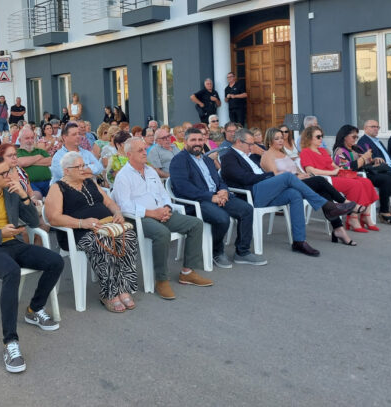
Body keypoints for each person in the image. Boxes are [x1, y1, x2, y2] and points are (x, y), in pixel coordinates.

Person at [0, 155, 63, 373]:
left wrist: (25, 196)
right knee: (12, 272)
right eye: (4, 173)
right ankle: (10, 342)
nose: (9, 176)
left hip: (14, 244)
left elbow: (35, 223)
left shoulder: (12, 193)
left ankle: (34, 308)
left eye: (9, 171)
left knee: (55, 261)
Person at [222, 129, 354, 256]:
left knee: (294, 194)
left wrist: (269, 176)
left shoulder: (248, 157)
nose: (252, 147)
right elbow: (244, 178)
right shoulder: (229, 157)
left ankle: (299, 241)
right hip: (252, 194)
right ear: (239, 142)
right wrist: (270, 176)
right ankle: (327, 206)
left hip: (264, 189)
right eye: (250, 144)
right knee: (287, 176)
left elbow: (258, 172)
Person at [111, 138, 212, 299]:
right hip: (139, 218)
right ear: (129, 154)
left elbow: (164, 194)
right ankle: (161, 279)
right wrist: (152, 213)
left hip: (161, 213)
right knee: (162, 233)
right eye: (140, 151)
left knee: (196, 224)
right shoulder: (123, 176)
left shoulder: (151, 171)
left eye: (145, 149)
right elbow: (124, 207)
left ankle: (188, 271)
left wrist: (166, 208)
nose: (145, 153)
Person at [46, 151, 138, 313]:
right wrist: (82, 223)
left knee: (129, 235)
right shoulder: (58, 188)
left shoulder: (90, 182)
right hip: (77, 232)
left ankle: (123, 287)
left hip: (105, 225)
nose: (83, 169)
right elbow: (53, 218)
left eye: (84, 165)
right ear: (67, 170)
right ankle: (109, 293)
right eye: (78, 166)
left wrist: (117, 213)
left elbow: (109, 202)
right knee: (103, 242)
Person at [169, 128, 260, 268]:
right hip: (196, 202)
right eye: (193, 140)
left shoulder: (207, 159)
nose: (197, 143)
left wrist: (223, 190)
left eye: (200, 140)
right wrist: (210, 197)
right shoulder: (179, 160)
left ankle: (242, 252)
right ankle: (216, 251)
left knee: (247, 209)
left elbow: (218, 179)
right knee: (222, 218)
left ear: (204, 141)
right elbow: (183, 187)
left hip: (217, 197)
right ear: (185, 141)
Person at [261, 127, 356, 241]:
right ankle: (343, 202)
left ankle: (338, 229)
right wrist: (297, 176)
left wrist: (302, 174)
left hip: (297, 182)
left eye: (281, 138)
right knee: (320, 180)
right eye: (277, 139)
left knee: (324, 191)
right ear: (269, 141)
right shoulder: (267, 155)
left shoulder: (283, 153)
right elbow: (275, 175)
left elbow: (295, 169)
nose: (281, 140)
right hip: (285, 188)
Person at [299, 126, 380, 232]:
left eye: (321, 136)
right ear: (309, 138)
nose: (321, 139)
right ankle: (352, 218)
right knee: (355, 184)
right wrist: (332, 172)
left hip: (335, 176)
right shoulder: (305, 152)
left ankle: (366, 216)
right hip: (326, 180)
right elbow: (310, 171)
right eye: (318, 137)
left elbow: (333, 165)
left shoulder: (322, 151)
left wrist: (342, 170)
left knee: (366, 181)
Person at [16, 128, 52, 198]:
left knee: (56, 196)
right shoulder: (17, 152)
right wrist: (38, 157)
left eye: (32, 138)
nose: (30, 141)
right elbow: (21, 162)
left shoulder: (40, 150)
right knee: (36, 197)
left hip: (48, 182)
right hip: (30, 184)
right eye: (27, 138)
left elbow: (50, 161)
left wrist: (29, 162)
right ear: (20, 140)